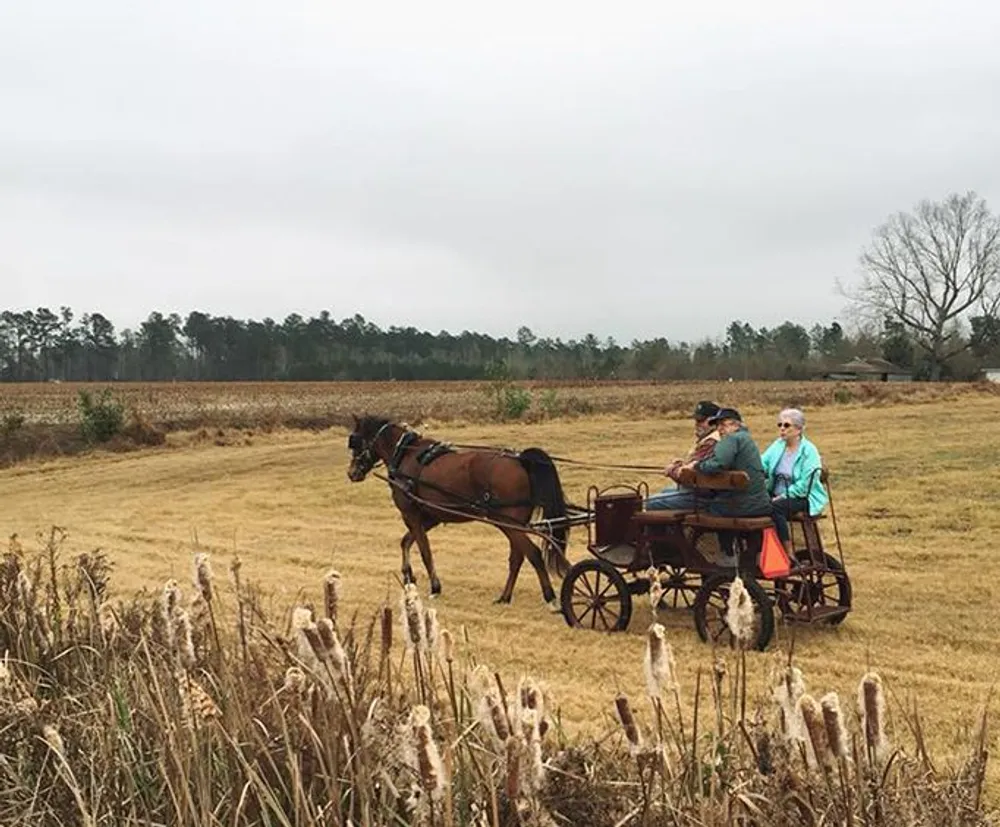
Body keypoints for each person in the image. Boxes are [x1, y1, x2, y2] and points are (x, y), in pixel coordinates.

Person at [760, 407, 828, 554]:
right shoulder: (778, 445)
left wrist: (783, 496)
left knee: (776, 507)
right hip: (775, 492)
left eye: (786, 425)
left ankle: (788, 550)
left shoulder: (809, 451)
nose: (782, 429)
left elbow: (805, 484)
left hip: (802, 497)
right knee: (753, 504)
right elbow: (762, 463)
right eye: (780, 425)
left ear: (798, 429)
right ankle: (761, 548)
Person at [684, 408, 772, 518]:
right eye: (717, 426)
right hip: (760, 502)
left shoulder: (732, 438)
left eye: (723, 425)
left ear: (735, 425)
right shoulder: (746, 438)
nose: (719, 429)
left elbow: (718, 464)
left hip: (742, 505)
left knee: (705, 508)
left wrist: (697, 466)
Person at [644, 401, 722, 511]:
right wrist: (681, 465)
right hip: (703, 491)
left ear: (713, 422)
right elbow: (695, 465)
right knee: (665, 491)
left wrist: (672, 471)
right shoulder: (711, 438)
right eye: (696, 420)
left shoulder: (711, 442)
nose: (696, 424)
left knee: (650, 503)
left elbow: (689, 476)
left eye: (701, 421)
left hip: (703, 496)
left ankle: (667, 528)